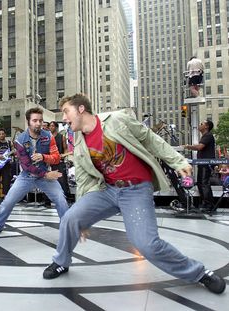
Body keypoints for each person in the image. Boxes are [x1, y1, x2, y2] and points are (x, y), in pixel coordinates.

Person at [42, 94, 225, 295]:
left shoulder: (117, 120)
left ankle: (200, 273)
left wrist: (178, 161)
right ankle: (61, 262)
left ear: (81, 109)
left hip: (136, 190)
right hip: (108, 190)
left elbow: (149, 138)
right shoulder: (78, 141)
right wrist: (81, 217)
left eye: (66, 112)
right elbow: (85, 179)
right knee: (70, 218)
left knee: (146, 244)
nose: (64, 118)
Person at [0, 107, 69, 235]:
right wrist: (46, 174)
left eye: (40, 120)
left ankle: (67, 228)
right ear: (28, 121)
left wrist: (43, 157)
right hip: (27, 176)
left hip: (44, 175)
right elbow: (26, 166)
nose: (38, 123)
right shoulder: (19, 140)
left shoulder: (48, 136)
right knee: (8, 201)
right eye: (35, 120)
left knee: (60, 198)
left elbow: (57, 158)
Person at [183, 119, 215, 212]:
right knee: (201, 183)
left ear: (206, 126)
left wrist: (188, 146)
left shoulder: (208, 135)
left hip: (206, 163)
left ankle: (208, 204)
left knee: (204, 183)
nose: (199, 125)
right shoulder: (205, 136)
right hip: (202, 163)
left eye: (202, 124)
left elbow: (200, 147)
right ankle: (205, 203)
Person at [49, 121, 72, 200]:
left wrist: (64, 155)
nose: (50, 127)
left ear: (56, 127)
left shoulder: (61, 137)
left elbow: (66, 149)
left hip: (59, 161)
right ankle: (48, 200)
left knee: (62, 180)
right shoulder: (48, 138)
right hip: (50, 161)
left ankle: (65, 197)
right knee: (49, 181)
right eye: (50, 126)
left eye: (52, 126)